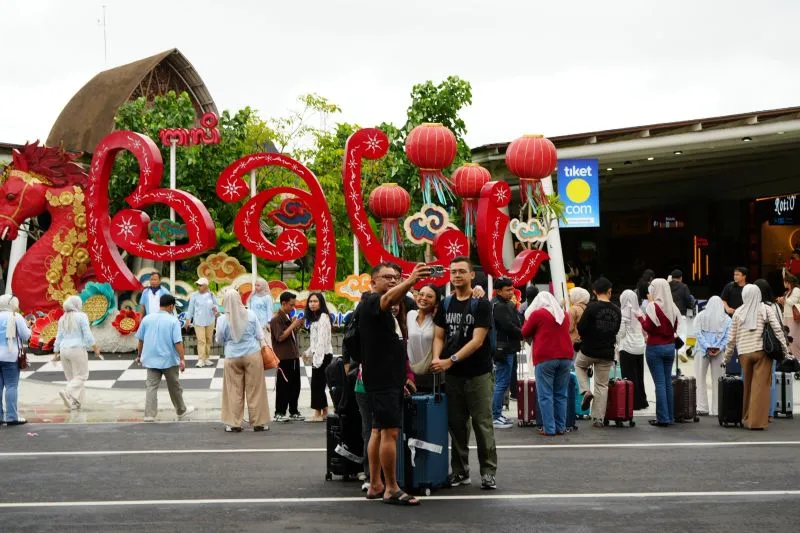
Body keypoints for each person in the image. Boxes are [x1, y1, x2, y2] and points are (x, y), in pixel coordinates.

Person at [361, 261, 428, 506]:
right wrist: (411, 281)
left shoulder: (391, 310)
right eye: (387, 276)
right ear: (373, 282)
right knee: (390, 431)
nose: (392, 280)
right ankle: (391, 488)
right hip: (382, 380)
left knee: (379, 431)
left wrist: (404, 377)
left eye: (396, 277)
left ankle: (376, 483)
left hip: (388, 378)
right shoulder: (371, 301)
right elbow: (388, 299)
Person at [431, 257, 498, 491]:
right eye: (453, 272)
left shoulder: (481, 304)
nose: (457, 275)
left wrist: (450, 360)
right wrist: (436, 358)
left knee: (482, 424)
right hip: (452, 375)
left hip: (478, 373)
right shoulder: (446, 303)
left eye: (462, 271)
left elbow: (478, 341)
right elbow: (439, 335)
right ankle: (460, 471)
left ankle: (488, 472)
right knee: (456, 425)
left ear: (472, 275)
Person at [724, 284, 788, 430]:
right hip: (761, 352)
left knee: (746, 386)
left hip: (744, 354)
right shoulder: (766, 309)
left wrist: (726, 358)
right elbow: (777, 329)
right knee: (760, 388)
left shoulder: (738, 312)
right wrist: (785, 349)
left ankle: (745, 417)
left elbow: (731, 338)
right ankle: (755, 422)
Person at [135, 294, 195, 422]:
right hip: (169, 360)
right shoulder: (173, 321)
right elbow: (178, 342)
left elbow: (140, 340)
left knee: (151, 387)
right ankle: (181, 411)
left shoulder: (147, 319)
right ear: (171, 306)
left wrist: (139, 355)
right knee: (174, 386)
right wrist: (182, 359)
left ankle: (149, 415)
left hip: (151, 359)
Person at [216, 289, 269, 432]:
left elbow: (219, 340)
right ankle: (259, 423)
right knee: (255, 389)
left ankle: (234, 424)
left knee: (233, 390)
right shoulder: (251, 314)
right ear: (239, 299)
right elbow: (259, 335)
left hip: (232, 356)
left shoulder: (222, 319)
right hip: (252, 354)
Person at [521, 292, 573, 436]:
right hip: (566, 357)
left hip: (545, 357)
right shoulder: (563, 315)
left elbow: (524, 331)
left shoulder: (538, 314)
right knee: (561, 394)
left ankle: (549, 428)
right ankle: (561, 427)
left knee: (545, 395)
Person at [574, 277, 621, 428]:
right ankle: (598, 419)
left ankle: (585, 391)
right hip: (607, 352)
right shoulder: (616, 310)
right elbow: (616, 330)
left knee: (579, 366)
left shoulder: (591, 308)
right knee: (602, 385)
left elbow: (581, 328)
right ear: (609, 291)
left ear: (594, 291)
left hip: (588, 349)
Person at [637, 278, 680, 427]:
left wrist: (640, 318)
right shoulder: (673, 307)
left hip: (655, 347)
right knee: (667, 382)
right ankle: (670, 416)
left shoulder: (652, 307)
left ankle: (662, 418)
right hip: (670, 347)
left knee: (660, 384)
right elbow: (676, 326)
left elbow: (648, 327)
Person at [53, 296, 102, 410]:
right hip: (77, 349)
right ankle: (67, 392)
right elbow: (87, 334)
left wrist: (55, 353)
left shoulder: (62, 318)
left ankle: (76, 402)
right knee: (81, 376)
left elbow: (58, 337)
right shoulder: (81, 316)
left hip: (63, 350)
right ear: (77, 305)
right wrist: (95, 348)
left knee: (72, 378)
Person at [491, 277, 522, 429]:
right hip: (504, 348)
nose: (511, 292)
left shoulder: (499, 304)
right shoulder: (500, 306)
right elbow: (508, 326)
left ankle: (497, 414)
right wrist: (523, 332)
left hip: (504, 347)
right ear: (498, 291)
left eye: (512, 289)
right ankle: (495, 415)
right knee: (501, 382)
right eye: (508, 290)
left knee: (501, 382)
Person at [270, 292, 306, 423]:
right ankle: (279, 412)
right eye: (291, 305)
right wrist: (293, 325)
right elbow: (280, 337)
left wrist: (296, 326)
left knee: (295, 385)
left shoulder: (287, 316)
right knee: (283, 386)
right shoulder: (276, 319)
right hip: (284, 358)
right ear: (283, 303)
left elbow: (289, 335)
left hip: (293, 356)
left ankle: (293, 411)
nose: (293, 307)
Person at [693, 296, 731, 416]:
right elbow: (728, 337)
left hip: (701, 351)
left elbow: (697, 333)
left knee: (700, 379)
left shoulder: (700, 316)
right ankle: (717, 409)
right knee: (718, 380)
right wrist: (718, 348)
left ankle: (702, 407)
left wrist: (707, 346)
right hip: (719, 352)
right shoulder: (727, 319)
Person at [0, 295, 30, 426]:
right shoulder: (16, 317)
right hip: (10, 356)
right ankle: (12, 417)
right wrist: (28, 326)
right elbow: (26, 335)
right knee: (11, 386)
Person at [616, 289, 648, 410]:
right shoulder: (639, 311)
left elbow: (621, 332)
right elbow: (644, 330)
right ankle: (642, 400)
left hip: (627, 348)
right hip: (639, 348)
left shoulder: (623, 312)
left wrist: (616, 340)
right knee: (639, 376)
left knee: (629, 376)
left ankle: (633, 403)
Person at [305, 292, 333, 422]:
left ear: (321, 303)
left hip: (324, 355)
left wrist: (318, 359)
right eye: (310, 302)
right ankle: (325, 410)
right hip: (319, 353)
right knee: (319, 384)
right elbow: (314, 341)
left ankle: (317, 413)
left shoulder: (323, 317)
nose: (312, 304)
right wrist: (309, 352)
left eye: (315, 301)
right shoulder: (315, 318)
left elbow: (322, 340)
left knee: (317, 384)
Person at [406, 284, 440, 379]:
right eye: (421, 294)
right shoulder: (410, 315)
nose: (423, 298)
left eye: (429, 296)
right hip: (411, 373)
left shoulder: (438, 320)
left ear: (436, 302)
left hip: (432, 372)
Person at [185, 277, 219, 367]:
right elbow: (190, 308)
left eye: (200, 285)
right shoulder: (194, 295)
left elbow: (217, 306)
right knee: (201, 341)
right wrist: (188, 320)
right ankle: (201, 359)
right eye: (198, 285)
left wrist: (216, 309)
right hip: (198, 321)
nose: (198, 287)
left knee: (208, 340)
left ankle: (206, 358)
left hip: (210, 320)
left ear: (206, 286)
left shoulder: (211, 295)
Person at [669, 269, 696, 362]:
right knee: (682, 333)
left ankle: (670, 352)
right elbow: (688, 299)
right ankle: (681, 350)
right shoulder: (684, 286)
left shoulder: (666, 286)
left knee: (669, 332)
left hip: (668, 314)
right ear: (681, 278)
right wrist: (690, 306)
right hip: (680, 313)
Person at [777, 273, 800, 358]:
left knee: (793, 337)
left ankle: (797, 357)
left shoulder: (796, 290)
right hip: (787, 316)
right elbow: (787, 305)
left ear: (788, 282)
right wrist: (782, 301)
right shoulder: (788, 292)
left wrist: (784, 299)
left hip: (793, 317)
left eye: (784, 282)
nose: (784, 283)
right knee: (787, 337)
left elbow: (792, 302)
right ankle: (791, 358)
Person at [248, 280, 274, 347]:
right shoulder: (253, 296)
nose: (256, 287)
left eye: (258, 285)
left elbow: (269, 310)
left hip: (263, 325)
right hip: (253, 323)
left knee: (264, 344)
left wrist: (268, 322)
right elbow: (249, 308)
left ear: (263, 286)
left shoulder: (267, 297)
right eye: (255, 285)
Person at [566, 287, 590, 352]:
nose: (569, 298)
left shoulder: (573, 309)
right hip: (585, 342)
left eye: (570, 296)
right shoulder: (588, 308)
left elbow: (569, 328)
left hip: (573, 343)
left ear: (576, 296)